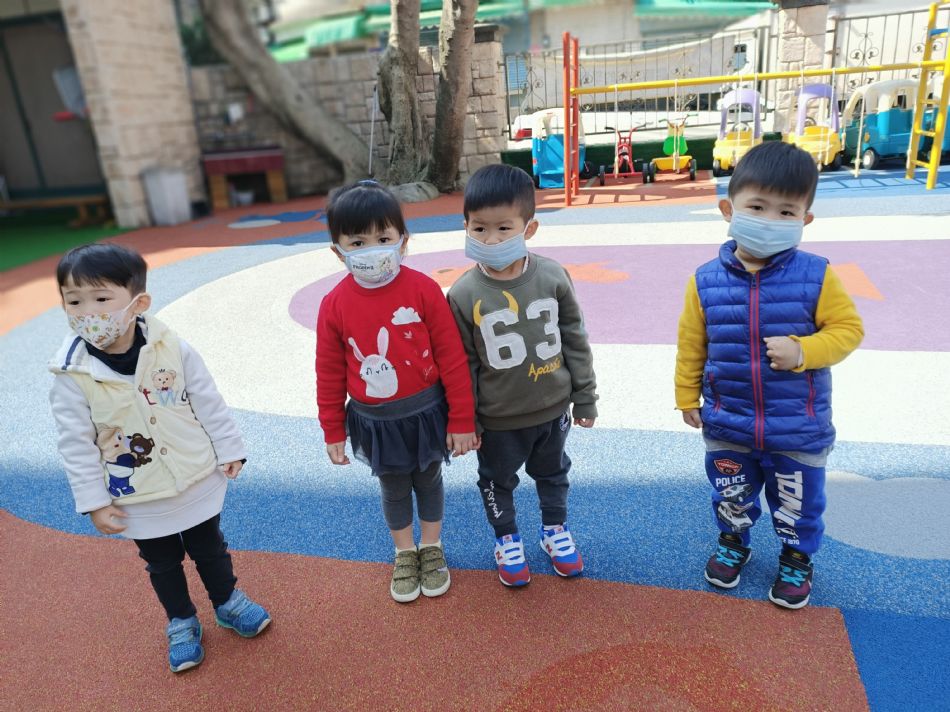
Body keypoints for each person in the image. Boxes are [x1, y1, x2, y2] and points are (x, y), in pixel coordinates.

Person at [48, 243, 270, 673]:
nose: (87, 312)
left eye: (101, 298)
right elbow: (75, 443)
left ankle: (227, 601)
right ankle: (181, 620)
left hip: (194, 476)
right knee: (161, 562)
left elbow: (207, 400)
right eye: (74, 301)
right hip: (138, 494)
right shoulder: (72, 374)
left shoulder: (172, 347)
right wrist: (94, 501)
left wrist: (229, 448)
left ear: (138, 303)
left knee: (210, 547)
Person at [675, 141, 864, 609]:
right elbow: (692, 343)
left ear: (805, 220)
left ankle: (797, 557)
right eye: (757, 207)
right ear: (728, 210)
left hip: (796, 426)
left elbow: (848, 330)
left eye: (786, 212)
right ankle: (733, 542)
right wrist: (686, 397)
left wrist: (803, 351)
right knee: (731, 493)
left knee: (798, 503)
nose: (769, 220)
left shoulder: (817, 275)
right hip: (729, 421)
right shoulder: (704, 280)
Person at [316, 180, 478, 604]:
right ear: (338, 251)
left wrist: (462, 418)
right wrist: (332, 429)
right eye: (358, 242)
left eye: (383, 238)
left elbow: (452, 357)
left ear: (403, 241)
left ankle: (432, 546)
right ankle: (405, 551)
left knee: (428, 478)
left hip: (426, 412)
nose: (373, 249)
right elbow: (329, 372)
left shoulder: (423, 289)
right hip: (376, 422)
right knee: (392, 486)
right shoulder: (334, 304)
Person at [447, 164, 598, 588]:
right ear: (465, 227)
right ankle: (507, 539)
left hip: (552, 410)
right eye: (479, 229)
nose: (491, 240)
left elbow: (575, 338)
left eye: (503, 228)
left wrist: (585, 396)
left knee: (553, 473)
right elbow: (462, 363)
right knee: (497, 480)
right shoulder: (462, 293)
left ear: (529, 229)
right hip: (497, 420)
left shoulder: (552, 276)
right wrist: (467, 420)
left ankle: (555, 530)